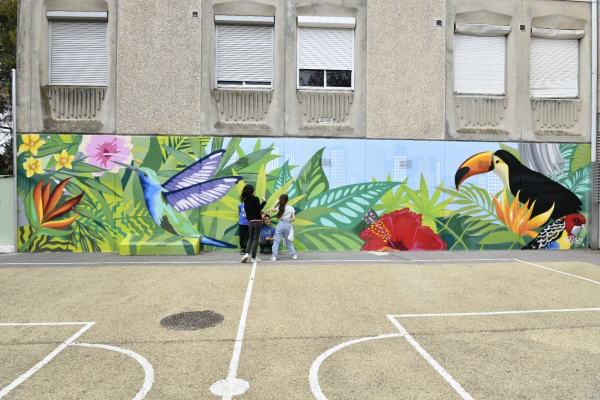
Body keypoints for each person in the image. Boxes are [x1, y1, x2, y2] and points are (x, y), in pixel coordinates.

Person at [240, 184, 266, 263]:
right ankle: (253, 257)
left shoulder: (245, 200)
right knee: (255, 239)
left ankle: (246, 253)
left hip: (250, 222)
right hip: (257, 221)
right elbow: (259, 208)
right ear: (252, 192)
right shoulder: (255, 199)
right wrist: (264, 201)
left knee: (250, 238)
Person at [269, 194, 297, 262]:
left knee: (276, 241)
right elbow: (293, 218)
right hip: (288, 224)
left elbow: (272, 209)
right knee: (288, 241)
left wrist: (276, 202)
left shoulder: (280, 207)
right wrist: (289, 221)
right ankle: (294, 255)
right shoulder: (291, 208)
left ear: (280, 200)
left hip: (281, 224)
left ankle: (274, 256)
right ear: (288, 200)